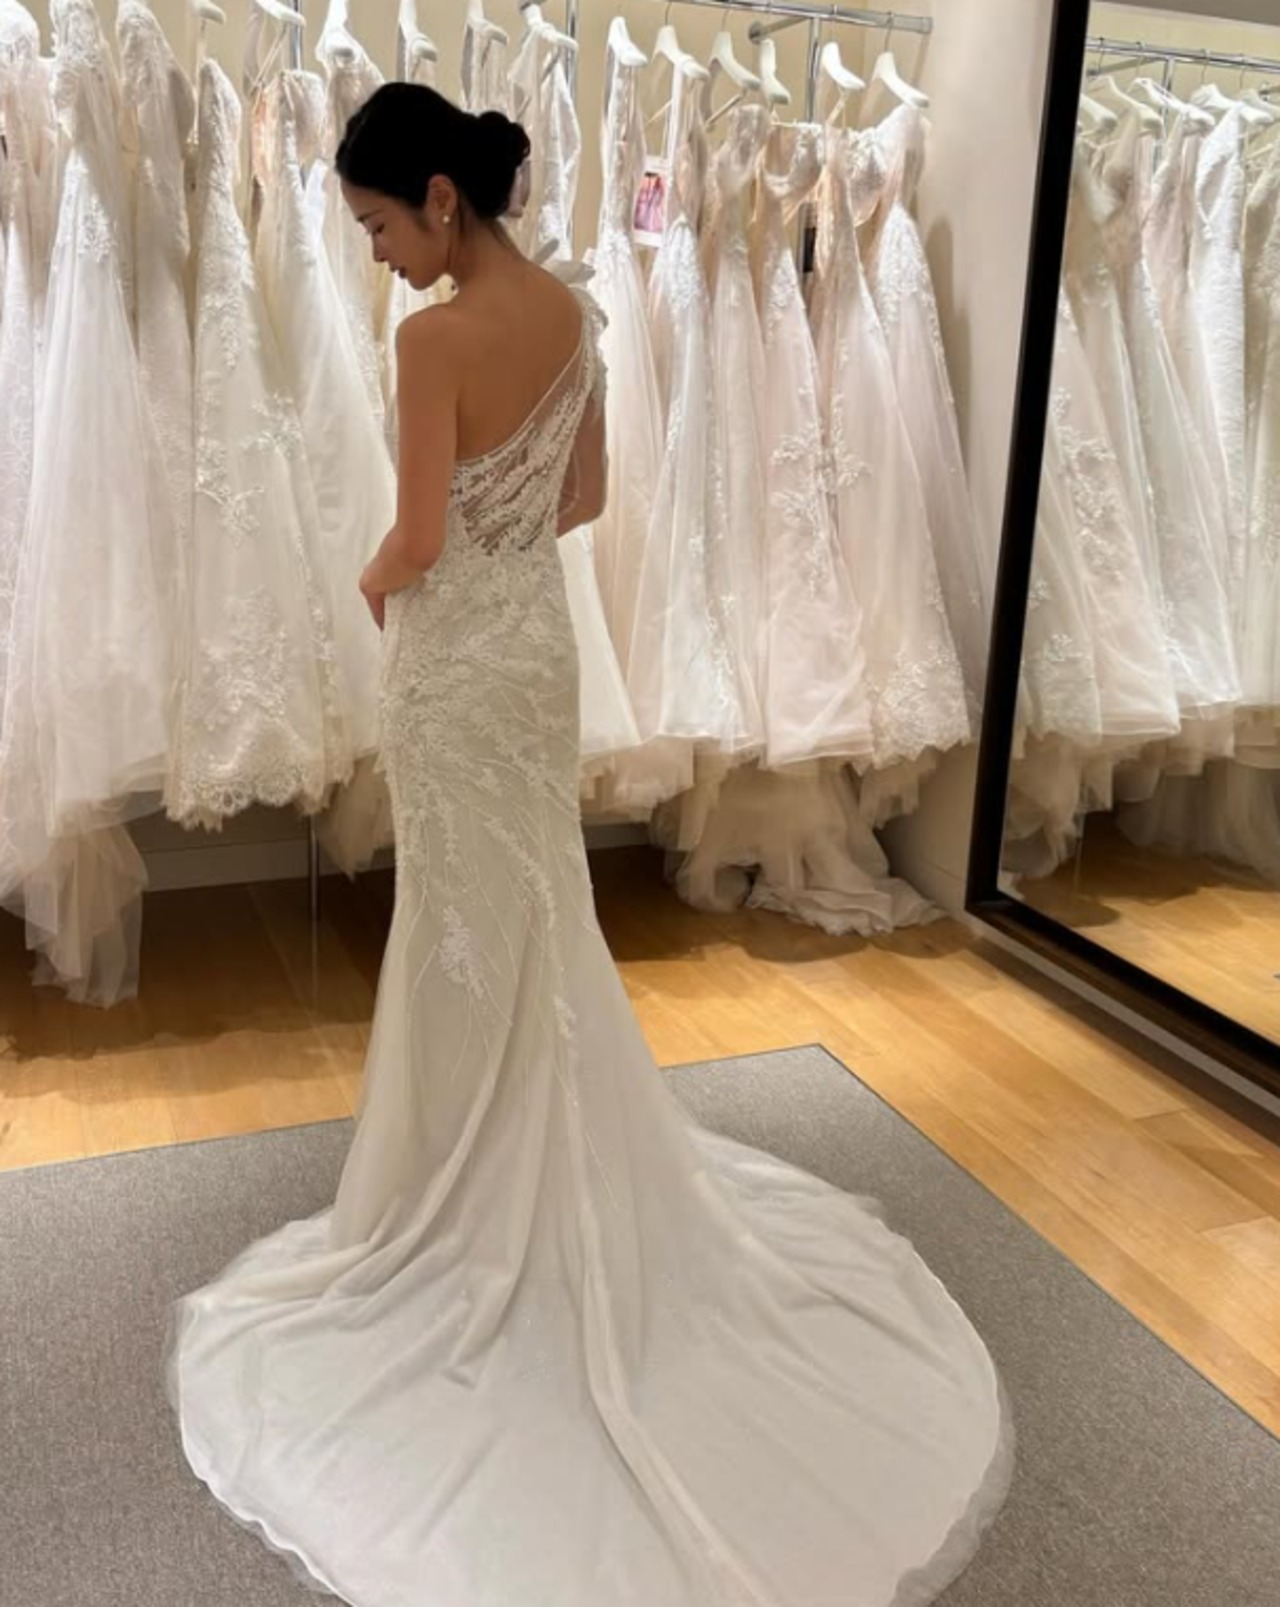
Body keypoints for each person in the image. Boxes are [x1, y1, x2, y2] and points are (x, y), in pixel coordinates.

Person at [165, 83, 1012, 1607]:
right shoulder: (573, 311)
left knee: (459, 918)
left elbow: (419, 537)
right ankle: (520, 1154)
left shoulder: (430, 343)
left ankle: (455, 1185)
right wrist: (492, 547)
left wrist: (374, 581)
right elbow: (589, 494)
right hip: (535, 652)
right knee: (536, 904)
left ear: (440, 199)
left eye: (379, 227)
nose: (377, 259)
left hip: (453, 659)